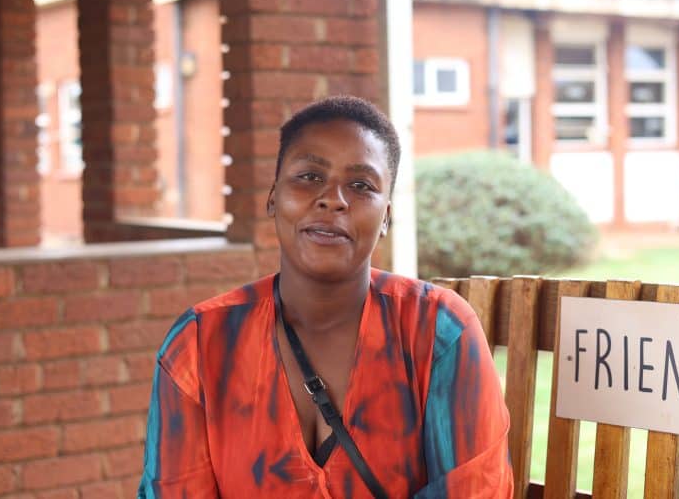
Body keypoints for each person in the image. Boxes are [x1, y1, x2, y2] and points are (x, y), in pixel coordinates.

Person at [138, 96, 514, 498]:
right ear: (272, 197)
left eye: (360, 185)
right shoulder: (200, 344)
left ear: (386, 216)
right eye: (309, 176)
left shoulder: (438, 331)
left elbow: (476, 490)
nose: (333, 198)